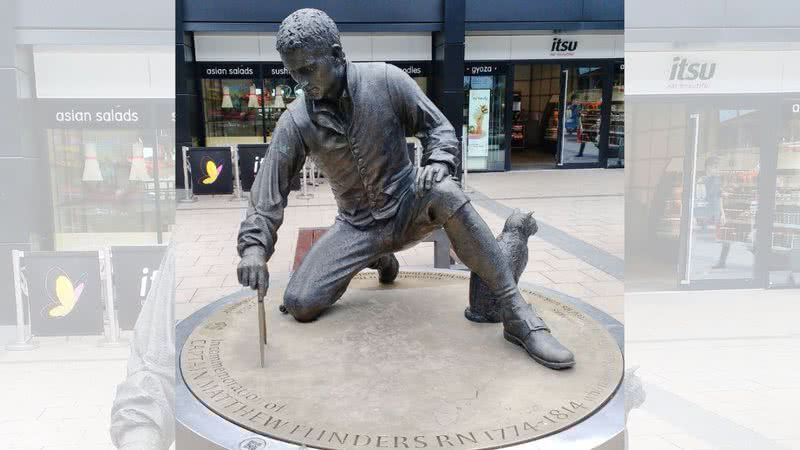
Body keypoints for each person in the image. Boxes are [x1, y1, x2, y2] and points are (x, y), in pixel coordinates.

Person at [236, 8, 574, 369]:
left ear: (336, 54)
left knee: (445, 190)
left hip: (410, 202)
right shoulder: (296, 120)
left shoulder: (386, 80)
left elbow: (440, 130)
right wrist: (254, 248)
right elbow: (269, 188)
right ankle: (378, 256)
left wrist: (439, 163)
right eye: (292, 72)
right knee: (300, 304)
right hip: (357, 226)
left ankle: (518, 314)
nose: (301, 82)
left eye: (307, 68)